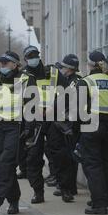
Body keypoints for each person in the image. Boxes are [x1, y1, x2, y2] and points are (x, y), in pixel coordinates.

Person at [0, 51, 36, 215]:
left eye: (5, 63)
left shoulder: (26, 79)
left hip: (16, 127)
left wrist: (29, 128)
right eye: (1, 63)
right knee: (4, 166)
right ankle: (14, 201)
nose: (2, 66)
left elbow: (31, 106)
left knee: (5, 163)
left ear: (15, 64)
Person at [76, 51, 108, 215]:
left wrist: (76, 134)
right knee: (106, 164)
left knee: (93, 165)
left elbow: (79, 111)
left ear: (90, 65)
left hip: (91, 126)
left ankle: (99, 204)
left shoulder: (85, 82)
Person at [21, 45, 67, 204]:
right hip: (34, 121)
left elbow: (67, 93)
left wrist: (55, 107)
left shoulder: (52, 72)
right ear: (25, 59)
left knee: (59, 155)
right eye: (29, 56)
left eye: (35, 55)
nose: (33, 58)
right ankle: (38, 192)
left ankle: (65, 189)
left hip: (53, 119)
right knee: (33, 158)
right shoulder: (22, 76)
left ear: (39, 56)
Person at [48, 54, 82, 203]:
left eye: (63, 67)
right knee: (63, 156)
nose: (61, 69)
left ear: (69, 69)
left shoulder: (75, 82)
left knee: (67, 157)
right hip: (62, 122)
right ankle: (66, 186)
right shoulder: (68, 80)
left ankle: (68, 188)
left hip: (68, 124)